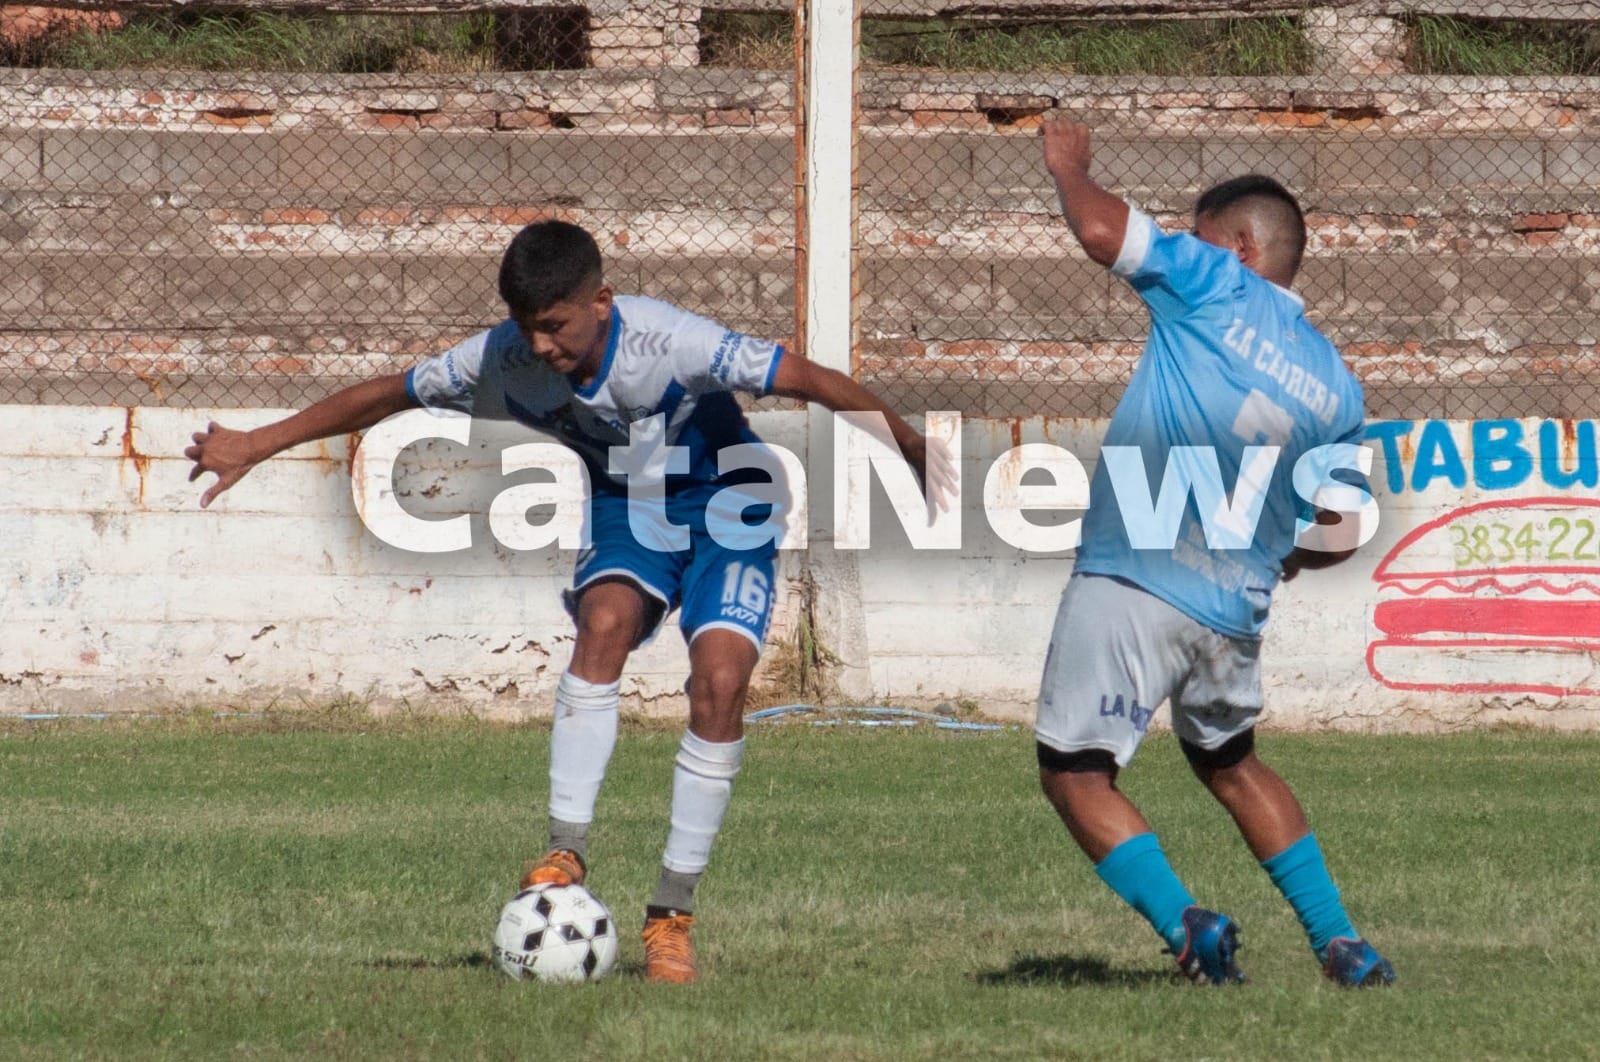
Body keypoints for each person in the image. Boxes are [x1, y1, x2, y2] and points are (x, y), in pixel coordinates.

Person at [187, 219, 954, 984]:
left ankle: (671, 918)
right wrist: (258, 443)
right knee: (603, 624)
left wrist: (908, 444)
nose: (542, 347)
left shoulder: (673, 342)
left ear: (603, 302)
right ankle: (564, 848)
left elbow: (811, 379)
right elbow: (386, 395)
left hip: (731, 501)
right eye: (529, 328)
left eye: (554, 326)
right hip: (629, 507)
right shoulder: (500, 358)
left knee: (719, 683)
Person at [1033, 119, 1394, 987]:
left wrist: (1068, 165)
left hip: (1135, 576)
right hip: (1232, 604)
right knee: (1231, 764)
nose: (1185, 252)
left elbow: (1097, 231)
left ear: (1238, 245)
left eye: (1200, 238)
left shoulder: (1215, 283)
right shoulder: (1337, 384)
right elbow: (1340, 533)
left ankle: (1188, 926)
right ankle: (1341, 943)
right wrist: (1279, 558)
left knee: (1075, 774)